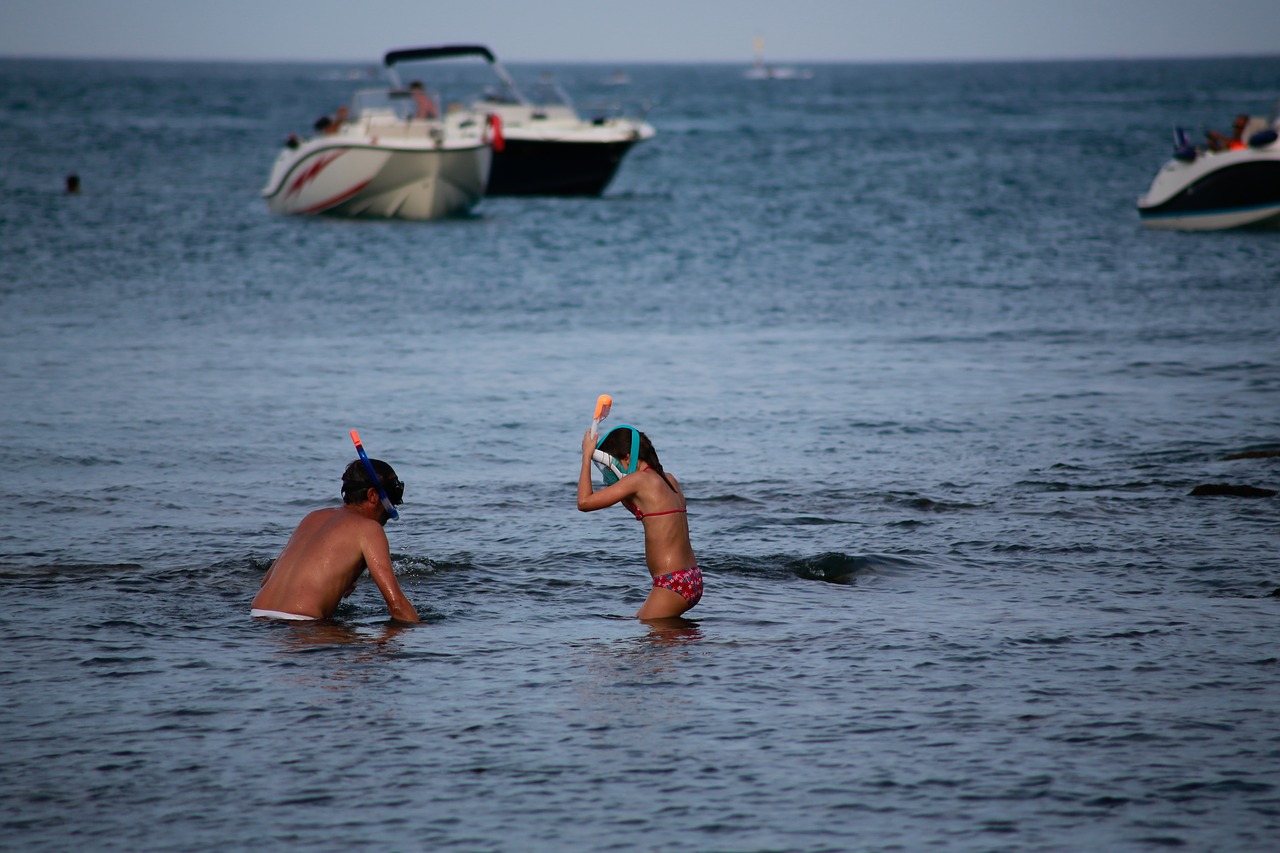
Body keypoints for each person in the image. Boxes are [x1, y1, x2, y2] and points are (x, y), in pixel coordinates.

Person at [251, 459, 419, 623]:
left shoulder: (313, 517)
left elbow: (266, 582)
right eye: (393, 497)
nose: (392, 509)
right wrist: (428, 637)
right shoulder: (369, 529)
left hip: (259, 619)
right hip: (302, 624)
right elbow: (397, 606)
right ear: (373, 495)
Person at [578, 425, 702, 620]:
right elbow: (639, 509)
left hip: (672, 583)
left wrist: (586, 456)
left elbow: (584, 503)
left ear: (627, 458)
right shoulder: (668, 480)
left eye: (615, 464)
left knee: (643, 632)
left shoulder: (638, 480)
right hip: (691, 576)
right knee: (668, 644)